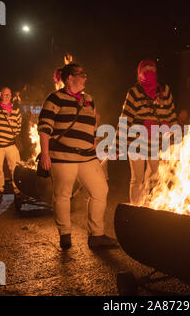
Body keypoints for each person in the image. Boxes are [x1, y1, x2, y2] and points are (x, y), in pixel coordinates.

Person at [38, 63, 117, 250]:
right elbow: (44, 127)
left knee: (100, 190)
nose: (85, 77)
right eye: (81, 74)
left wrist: (96, 148)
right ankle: (65, 234)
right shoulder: (55, 98)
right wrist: (45, 154)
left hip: (87, 157)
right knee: (63, 195)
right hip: (62, 156)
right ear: (69, 78)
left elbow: (92, 128)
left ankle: (96, 235)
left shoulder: (89, 99)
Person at [117, 59, 178, 205]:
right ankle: (135, 209)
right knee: (137, 179)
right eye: (146, 69)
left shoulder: (165, 90)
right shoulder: (134, 92)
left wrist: (175, 135)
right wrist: (119, 142)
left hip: (158, 142)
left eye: (152, 68)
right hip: (137, 141)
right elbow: (125, 117)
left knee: (154, 178)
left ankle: (147, 207)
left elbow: (172, 114)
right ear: (139, 73)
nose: (149, 71)